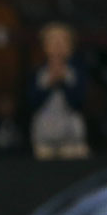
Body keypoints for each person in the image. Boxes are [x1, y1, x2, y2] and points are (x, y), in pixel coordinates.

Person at [28, 22, 89, 160]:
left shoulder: (77, 71)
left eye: (62, 41)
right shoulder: (38, 72)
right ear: (45, 46)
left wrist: (63, 81)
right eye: (53, 41)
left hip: (72, 140)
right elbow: (32, 103)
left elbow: (79, 102)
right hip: (44, 138)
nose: (58, 46)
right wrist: (49, 83)